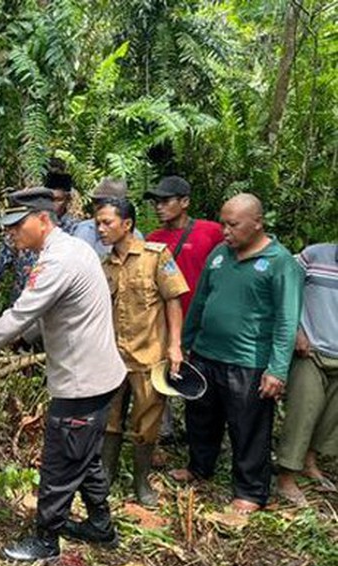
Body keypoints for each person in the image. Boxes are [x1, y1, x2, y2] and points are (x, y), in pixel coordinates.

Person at [0, 187, 126, 562]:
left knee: (60, 460)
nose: (12, 235)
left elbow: (20, 315)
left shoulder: (58, 260)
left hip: (82, 382)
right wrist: (26, 340)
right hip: (97, 376)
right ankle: (100, 526)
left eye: (17, 226)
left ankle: (46, 539)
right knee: (83, 456)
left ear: (42, 220)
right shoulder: (71, 249)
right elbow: (55, 311)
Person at [170, 194, 302, 514]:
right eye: (222, 224)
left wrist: (278, 370)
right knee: (201, 417)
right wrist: (186, 342)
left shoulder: (280, 262)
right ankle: (199, 468)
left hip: (248, 361)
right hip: (205, 354)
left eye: (233, 225)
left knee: (249, 428)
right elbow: (200, 300)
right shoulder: (219, 254)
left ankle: (251, 491)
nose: (225, 231)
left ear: (258, 223)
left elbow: (287, 319)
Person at [96, 198, 189, 506]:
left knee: (146, 422)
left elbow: (173, 299)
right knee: (110, 419)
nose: (101, 228)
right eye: (98, 223)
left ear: (127, 224)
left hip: (149, 355)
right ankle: (105, 476)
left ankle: (141, 482)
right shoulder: (104, 264)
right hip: (112, 358)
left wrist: (175, 345)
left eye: (107, 222)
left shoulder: (156, 257)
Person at [144, 175, 224, 448]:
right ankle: (162, 433)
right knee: (161, 374)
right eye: (156, 202)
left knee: (204, 380)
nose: (159, 207)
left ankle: (205, 439)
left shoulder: (211, 232)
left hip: (202, 322)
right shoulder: (153, 239)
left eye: (165, 201)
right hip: (164, 322)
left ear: (185, 202)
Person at [275, 242, 338, 505]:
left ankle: (309, 462)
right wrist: (296, 330)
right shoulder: (313, 256)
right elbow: (285, 289)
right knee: (304, 410)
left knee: (331, 416)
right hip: (309, 350)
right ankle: (286, 477)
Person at [0, 173, 81, 305]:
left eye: (58, 200)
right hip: (22, 297)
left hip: (53, 301)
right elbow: (7, 250)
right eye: (51, 200)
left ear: (68, 200)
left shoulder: (75, 229)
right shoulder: (27, 223)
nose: (54, 205)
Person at [71, 178, 143, 257]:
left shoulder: (135, 234)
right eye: (96, 202)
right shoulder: (85, 230)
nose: (100, 229)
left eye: (107, 223)